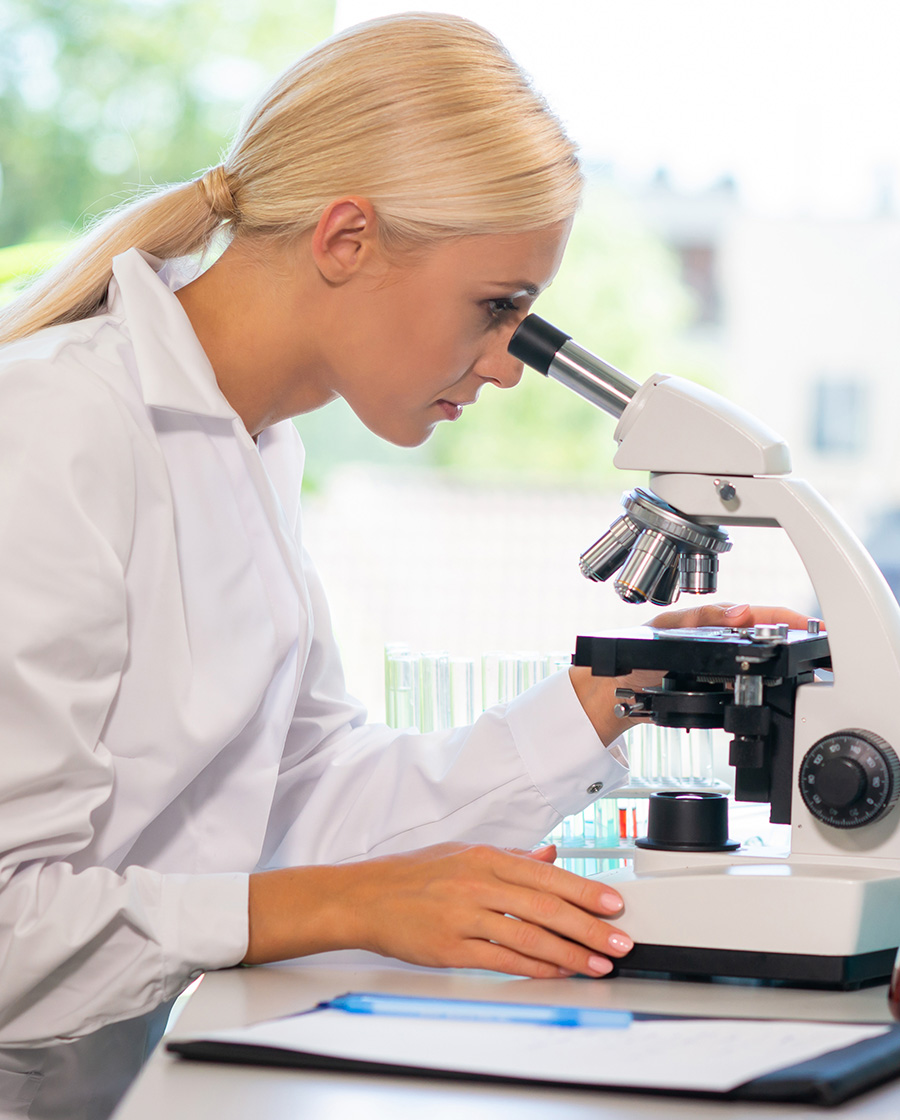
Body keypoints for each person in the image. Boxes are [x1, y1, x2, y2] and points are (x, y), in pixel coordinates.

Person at [0, 12, 805, 1118]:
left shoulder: (250, 446)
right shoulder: (52, 428)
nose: (511, 367)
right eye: (497, 310)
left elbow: (305, 812)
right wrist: (343, 906)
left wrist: (603, 700)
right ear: (346, 240)